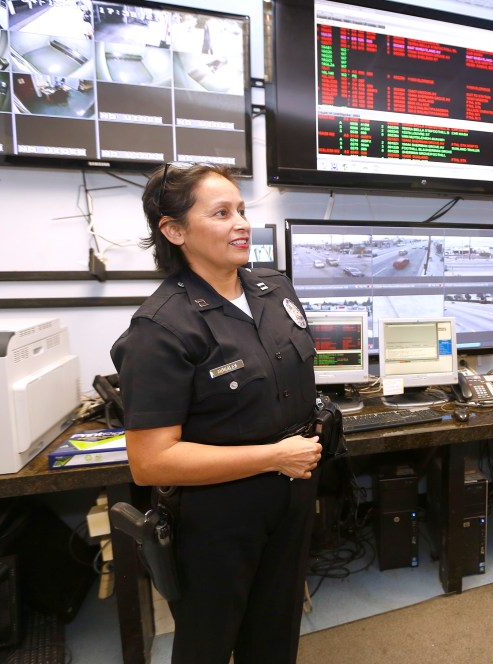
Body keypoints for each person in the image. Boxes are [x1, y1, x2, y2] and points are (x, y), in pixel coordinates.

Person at [110, 163, 322, 664]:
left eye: (242, 211)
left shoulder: (273, 289)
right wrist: (274, 457)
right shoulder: (161, 328)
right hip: (218, 517)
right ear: (175, 230)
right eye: (222, 213)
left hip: (292, 494)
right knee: (208, 642)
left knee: (275, 634)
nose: (241, 223)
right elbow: (151, 463)